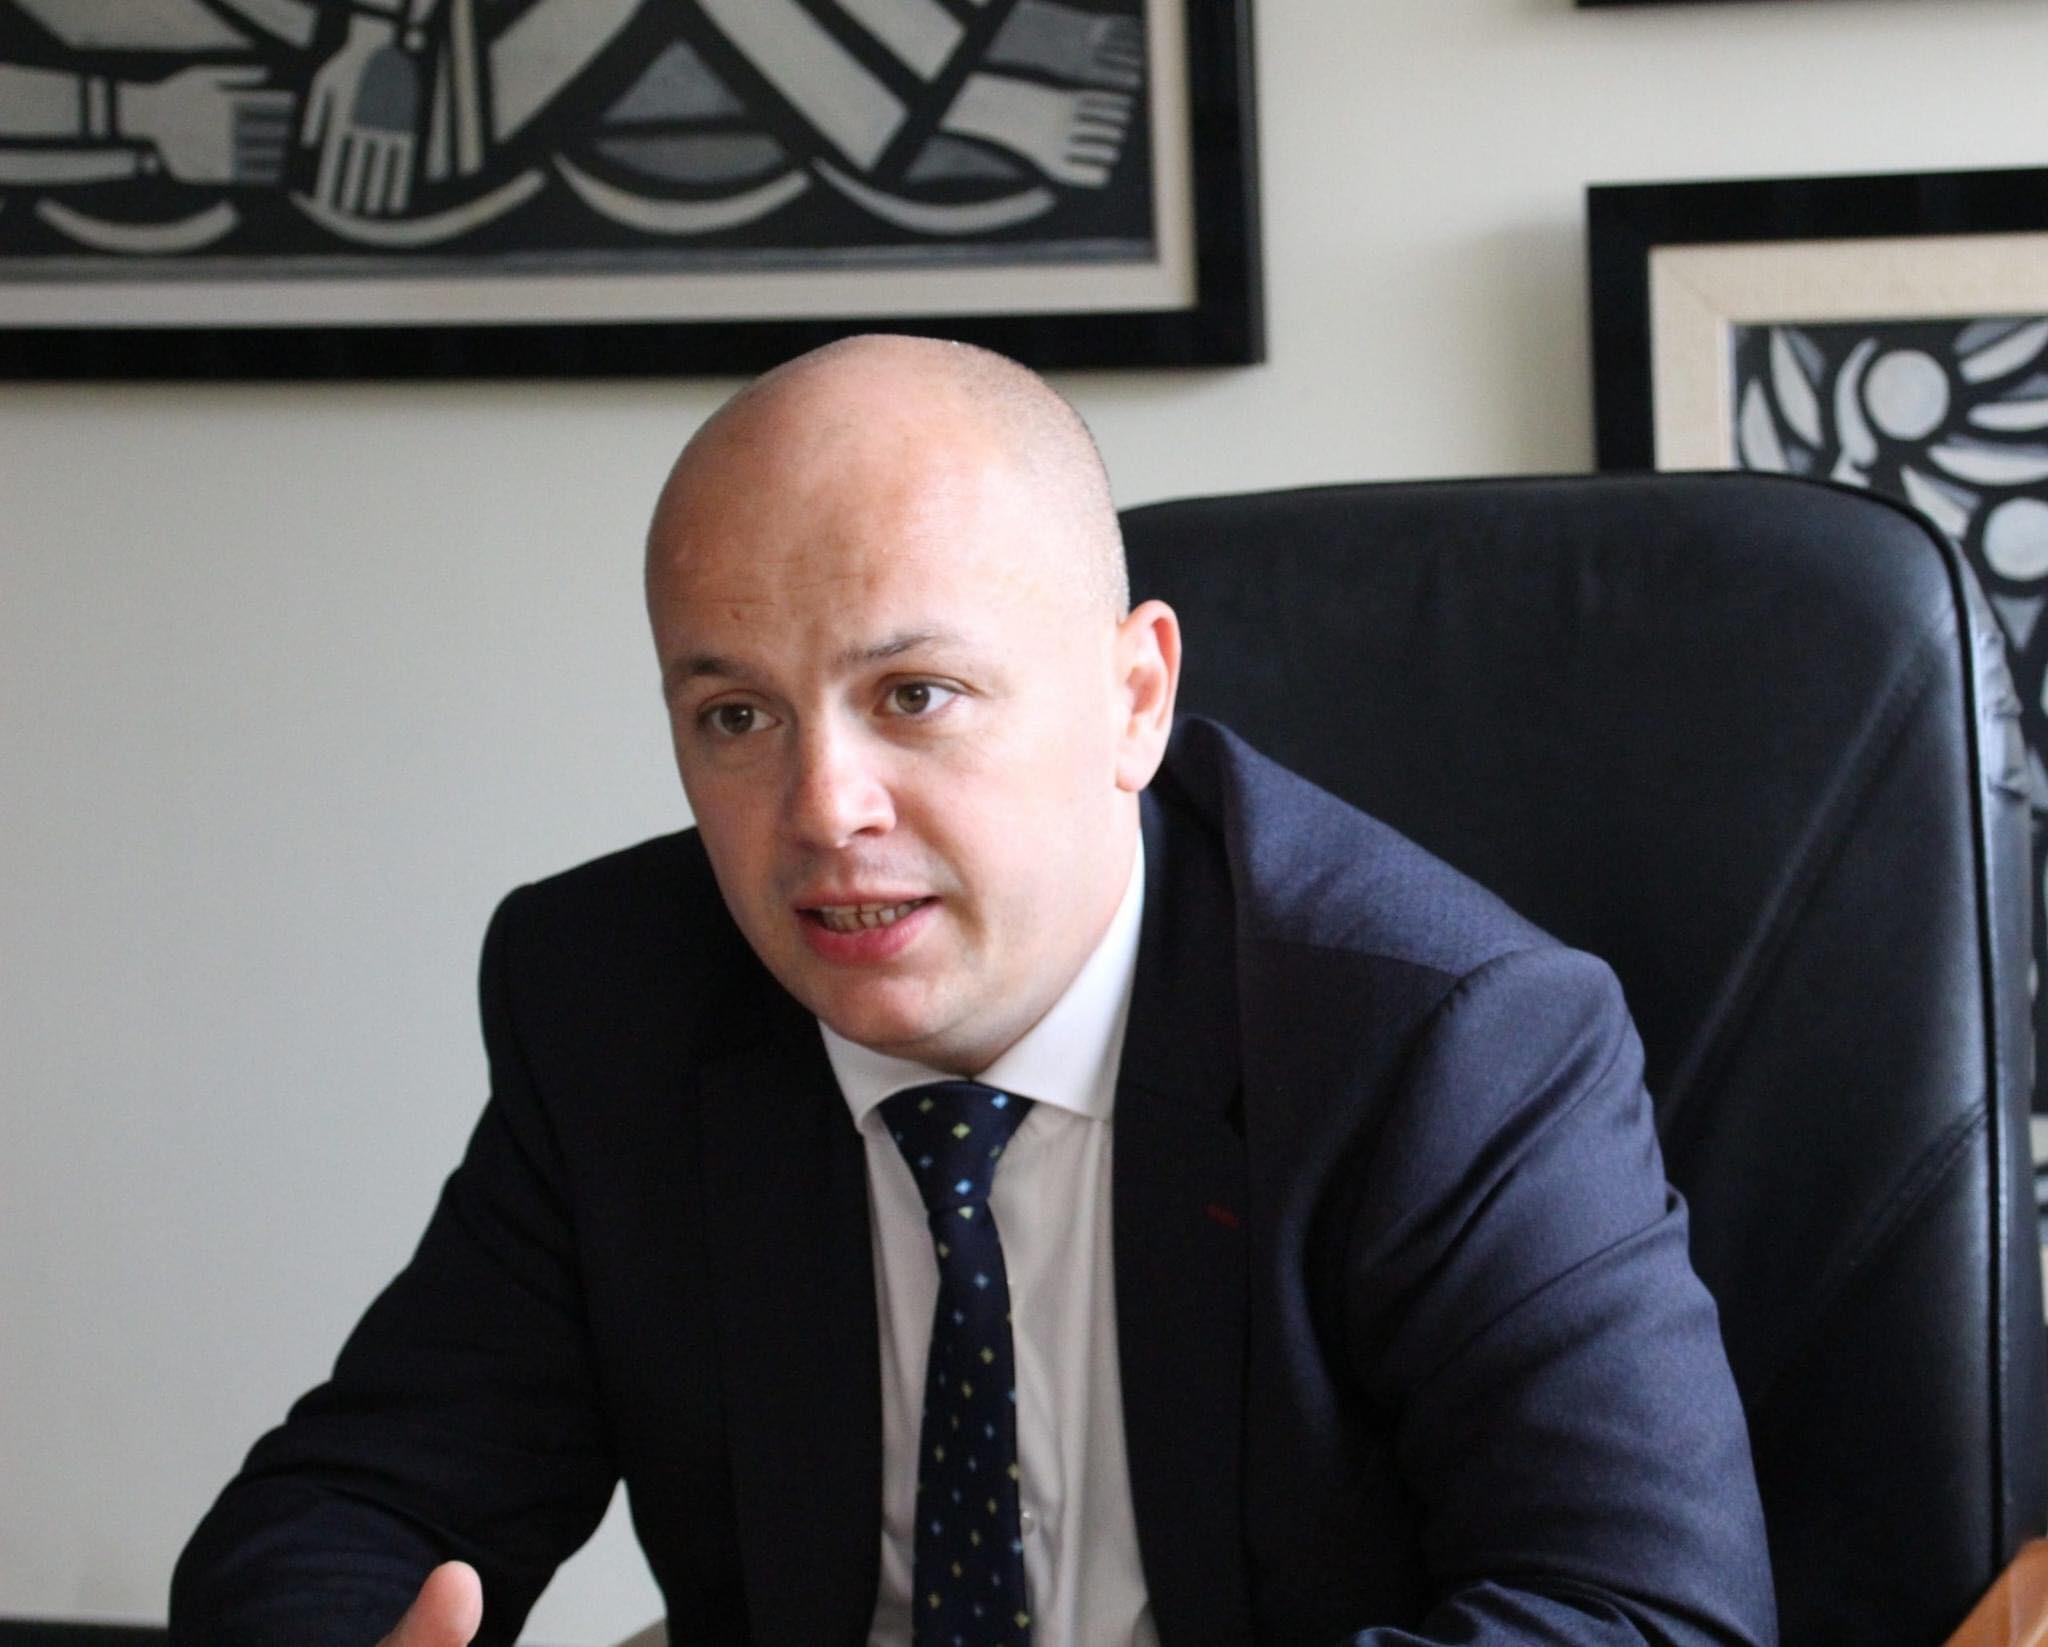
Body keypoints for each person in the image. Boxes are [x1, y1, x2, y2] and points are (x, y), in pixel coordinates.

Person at [171, 335, 1777, 1647]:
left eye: (915, 695)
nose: (822, 811)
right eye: (736, 718)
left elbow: (1642, 1616)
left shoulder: (1440, 1035)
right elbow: (353, 1508)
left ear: (1134, 696)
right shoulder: (614, 996)